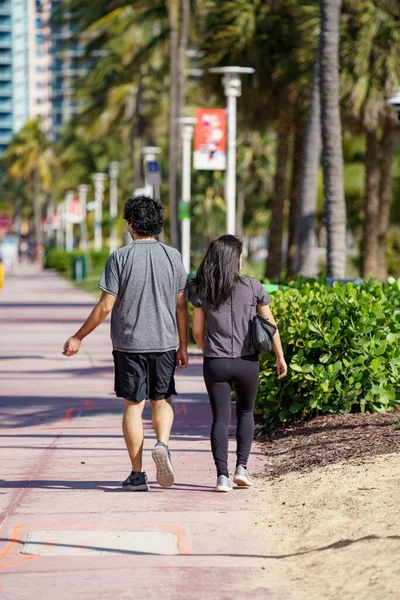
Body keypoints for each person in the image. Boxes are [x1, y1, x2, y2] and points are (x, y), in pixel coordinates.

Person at [62, 195, 189, 491]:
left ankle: (137, 474)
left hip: (129, 344)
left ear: (131, 224)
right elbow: (181, 305)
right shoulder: (173, 256)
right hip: (165, 342)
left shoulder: (120, 257)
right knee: (163, 398)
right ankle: (163, 443)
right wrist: (183, 344)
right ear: (158, 224)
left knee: (133, 407)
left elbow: (106, 305)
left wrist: (78, 336)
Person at [190, 235, 287, 492]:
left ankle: (222, 476)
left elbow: (197, 331)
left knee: (220, 418)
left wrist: (209, 351)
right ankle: (241, 468)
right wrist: (280, 356)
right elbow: (270, 325)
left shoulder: (203, 289)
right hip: (247, 361)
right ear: (236, 259)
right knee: (245, 413)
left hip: (215, 362)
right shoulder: (252, 286)